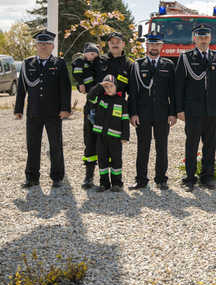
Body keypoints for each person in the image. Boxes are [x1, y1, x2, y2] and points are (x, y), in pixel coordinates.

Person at [14, 29, 71, 188]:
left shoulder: (58, 64)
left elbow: (65, 88)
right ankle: (32, 177)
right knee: (32, 146)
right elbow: (21, 89)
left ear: (52, 46)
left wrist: (65, 108)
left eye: (46, 44)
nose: (43, 46)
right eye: (40, 44)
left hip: (54, 113)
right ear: (36, 46)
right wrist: (18, 109)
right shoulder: (27, 64)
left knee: (55, 145)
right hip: (34, 112)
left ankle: (57, 177)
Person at [175, 24, 216, 191]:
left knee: (210, 145)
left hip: (212, 109)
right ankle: (190, 178)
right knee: (192, 144)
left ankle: (207, 177)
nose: (203, 40)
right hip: (193, 109)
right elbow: (179, 86)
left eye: (206, 37)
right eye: (200, 37)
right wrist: (179, 109)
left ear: (210, 39)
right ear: (194, 39)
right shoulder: (186, 58)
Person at [128, 33, 177, 191]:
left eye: (157, 45)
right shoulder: (137, 65)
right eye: (151, 44)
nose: (154, 47)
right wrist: (133, 113)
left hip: (162, 112)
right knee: (143, 147)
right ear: (146, 46)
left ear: (162, 46)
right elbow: (133, 92)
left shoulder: (168, 65)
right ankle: (141, 180)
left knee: (161, 147)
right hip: (142, 113)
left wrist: (172, 113)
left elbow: (173, 92)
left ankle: (161, 179)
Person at [87, 74, 130, 192]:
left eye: (111, 86)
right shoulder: (100, 99)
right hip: (101, 137)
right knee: (102, 160)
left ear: (116, 87)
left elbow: (125, 120)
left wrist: (125, 136)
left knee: (116, 160)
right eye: (106, 87)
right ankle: (104, 183)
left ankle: (117, 183)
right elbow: (90, 96)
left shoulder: (122, 102)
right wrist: (99, 86)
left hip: (115, 138)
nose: (109, 89)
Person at [72, 42, 101, 189]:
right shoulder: (81, 63)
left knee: (107, 143)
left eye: (95, 54)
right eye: (91, 53)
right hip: (90, 106)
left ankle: (107, 178)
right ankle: (89, 176)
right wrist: (80, 84)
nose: (93, 56)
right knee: (89, 142)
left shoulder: (102, 63)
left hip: (105, 108)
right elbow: (78, 75)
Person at [96, 32, 134, 97]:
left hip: (118, 104)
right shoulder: (100, 60)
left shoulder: (129, 65)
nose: (115, 45)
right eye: (112, 43)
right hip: (100, 103)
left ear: (123, 44)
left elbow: (132, 90)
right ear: (108, 44)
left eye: (118, 42)